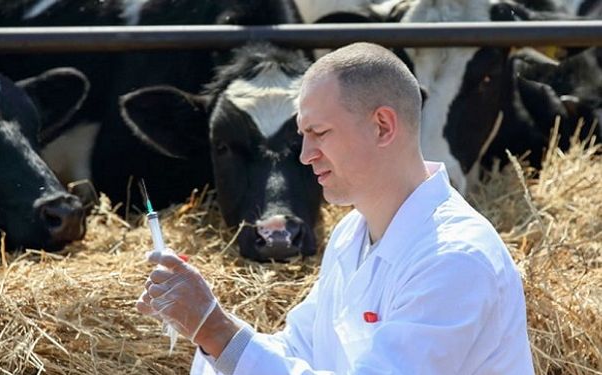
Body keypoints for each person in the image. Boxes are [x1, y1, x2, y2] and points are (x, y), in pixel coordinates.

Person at [136, 42, 535, 374]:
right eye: (302, 136)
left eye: (319, 133)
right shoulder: (351, 234)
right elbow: (299, 347)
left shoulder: (453, 259)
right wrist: (204, 322)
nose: (306, 156)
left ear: (382, 126)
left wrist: (215, 329)